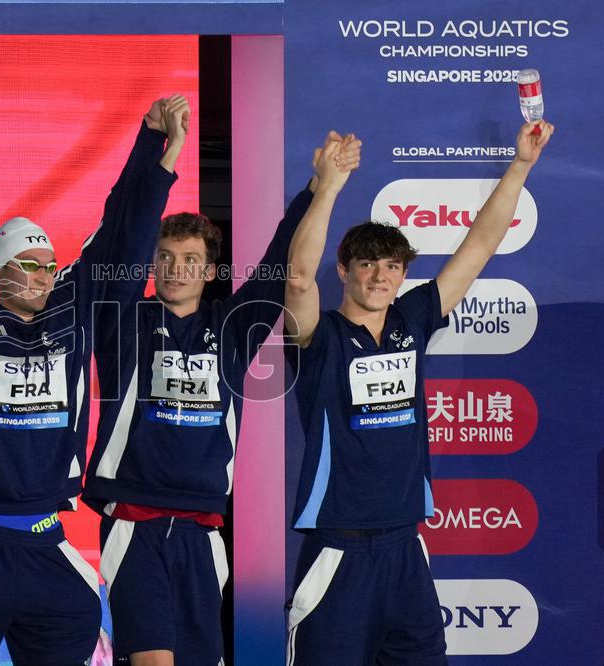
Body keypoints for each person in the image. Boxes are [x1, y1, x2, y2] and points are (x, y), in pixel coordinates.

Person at [0, 62, 190, 664]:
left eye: (49, 265)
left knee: (80, 623)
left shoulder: (70, 319)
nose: (42, 274)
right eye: (27, 263)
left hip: (46, 542)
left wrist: (153, 146)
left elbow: (121, 239)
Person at [83, 130, 360, 664]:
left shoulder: (234, 326)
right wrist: (163, 160)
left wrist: (318, 186)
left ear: (210, 272)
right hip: (134, 523)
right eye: (165, 255)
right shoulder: (123, 320)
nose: (176, 266)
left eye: (191, 257)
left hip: (205, 529)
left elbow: (280, 258)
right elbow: (126, 236)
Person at [282, 120, 553, 664]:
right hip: (339, 551)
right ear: (346, 270)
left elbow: (478, 248)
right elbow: (298, 279)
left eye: (393, 266)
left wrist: (521, 165)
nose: (381, 276)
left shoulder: (412, 318)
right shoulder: (319, 335)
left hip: (406, 547)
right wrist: (328, 187)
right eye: (367, 264)